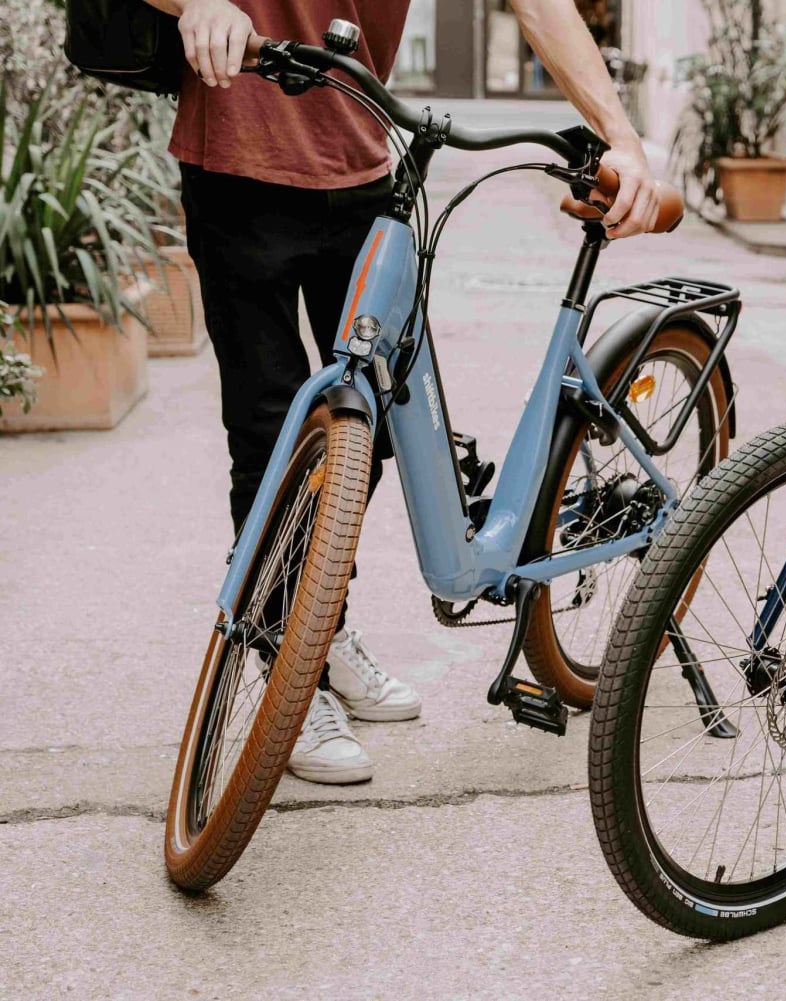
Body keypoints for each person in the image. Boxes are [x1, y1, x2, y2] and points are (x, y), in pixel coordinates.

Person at [152, 0, 663, 784]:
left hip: (365, 163)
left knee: (376, 431)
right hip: (236, 162)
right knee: (269, 434)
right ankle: (295, 673)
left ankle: (322, 623)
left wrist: (622, 138)